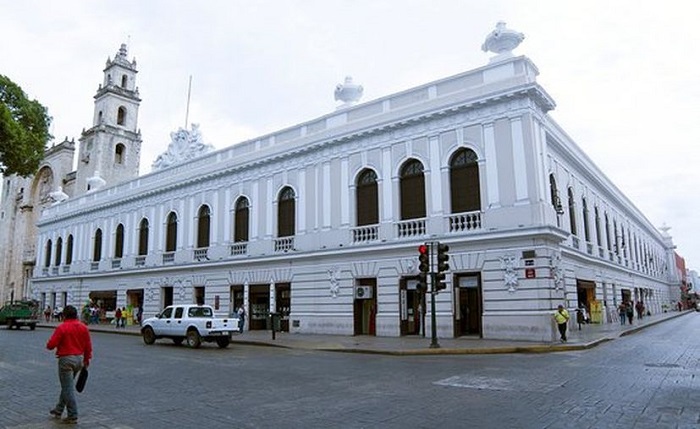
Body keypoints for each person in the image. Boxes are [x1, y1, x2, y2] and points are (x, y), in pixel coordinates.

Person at [46, 305, 93, 425]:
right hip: (79, 359)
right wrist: (87, 360)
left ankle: (73, 414)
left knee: (67, 388)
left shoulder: (62, 328)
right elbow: (88, 346)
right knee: (67, 386)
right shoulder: (84, 327)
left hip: (66, 360)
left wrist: (50, 344)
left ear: (64, 315)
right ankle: (59, 409)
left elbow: (51, 345)